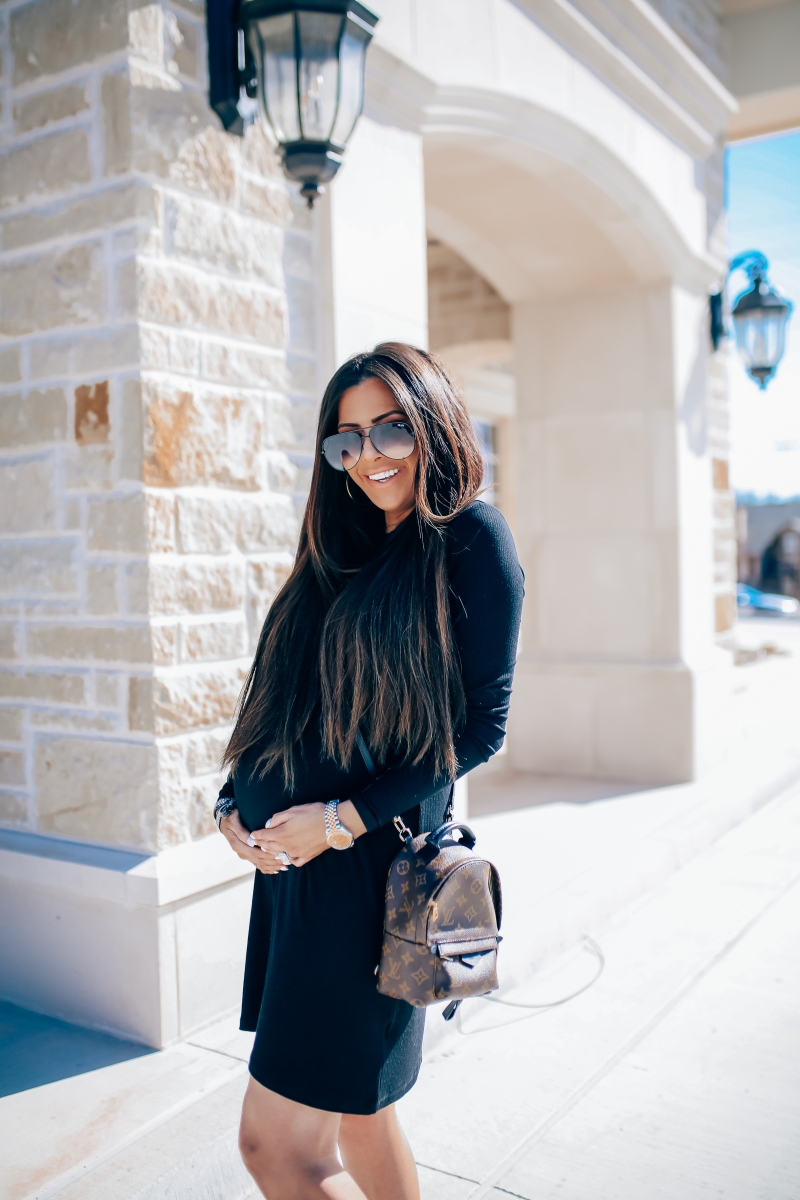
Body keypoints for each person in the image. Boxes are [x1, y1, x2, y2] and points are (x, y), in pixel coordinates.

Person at [214, 343, 524, 1200]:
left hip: (368, 880)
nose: (370, 454)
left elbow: (478, 729)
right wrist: (231, 805)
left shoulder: (468, 539)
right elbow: (282, 703)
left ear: (431, 418)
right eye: (346, 440)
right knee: (359, 1112)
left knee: (274, 1150)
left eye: (390, 426)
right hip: (293, 880)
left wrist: (339, 820)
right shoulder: (338, 549)